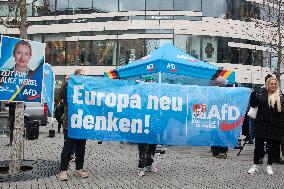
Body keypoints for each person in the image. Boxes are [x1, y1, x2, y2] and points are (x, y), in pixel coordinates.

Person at [247, 76, 284, 175]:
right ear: (267, 84)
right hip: (261, 124)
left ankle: (269, 165)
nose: (273, 85)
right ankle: (255, 165)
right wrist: (252, 94)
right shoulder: (261, 93)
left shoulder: (281, 96)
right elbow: (254, 105)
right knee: (258, 146)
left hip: (274, 126)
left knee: (272, 147)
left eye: (275, 84)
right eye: (271, 84)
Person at [58, 68, 88, 181]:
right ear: (75, 76)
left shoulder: (86, 87)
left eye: (84, 75)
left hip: (83, 123)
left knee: (81, 147)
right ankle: (63, 171)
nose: (83, 77)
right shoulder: (69, 84)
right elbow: (61, 94)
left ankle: (79, 169)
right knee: (68, 147)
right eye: (80, 75)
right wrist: (66, 82)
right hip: (70, 123)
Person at [137, 76, 158, 177]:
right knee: (143, 147)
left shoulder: (157, 97)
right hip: (143, 125)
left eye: (152, 83)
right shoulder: (141, 96)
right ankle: (141, 167)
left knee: (152, 146)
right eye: (148, 83)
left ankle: (149, 164)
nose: (150, 85)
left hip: (154, 125)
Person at [210, 76, 229, 159]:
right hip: (215, 115)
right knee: (216, 133)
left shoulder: (225, 94)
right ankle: (218, 151)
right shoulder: (213, 93)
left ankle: (220, 151)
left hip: (221, 116)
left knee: (220, 133)